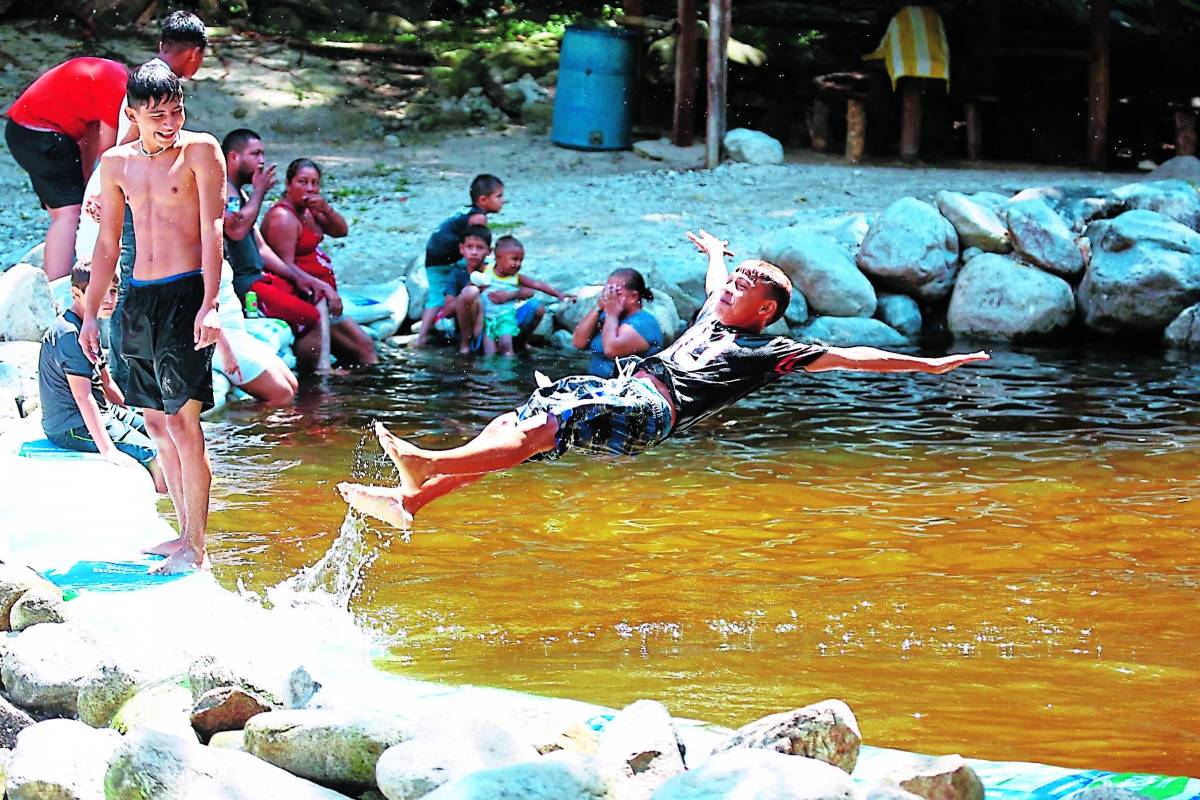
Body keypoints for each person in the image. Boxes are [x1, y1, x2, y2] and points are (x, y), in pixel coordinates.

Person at [337, 229, 990, 531]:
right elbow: (714, 287)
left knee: (541, 426)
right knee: (522, 424)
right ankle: (412, 502)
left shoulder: (772, 348)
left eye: (742, 288)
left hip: (652, 406)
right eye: (733, 281)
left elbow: (856, 358)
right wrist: (715, 258)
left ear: (764, 311)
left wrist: (929, 364)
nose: (729, 289)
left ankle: (426, 463)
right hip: (627, 392)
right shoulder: (716, 309)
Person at [79, 62, 225, 574]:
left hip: (186, 294)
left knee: (185, 423)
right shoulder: (117, 164)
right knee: (155, 421)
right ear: (133, 114)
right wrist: (94, 314)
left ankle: (197, 546)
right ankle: (182, 532)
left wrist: (211, 303)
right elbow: (106, 244)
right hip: (138, 298)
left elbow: (213, 228)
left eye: (177, 110)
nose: (170, 122)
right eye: (158, 114)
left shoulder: (201, 150)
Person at [83, 10, 209, 388]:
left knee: (133, 284)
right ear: (196, 53)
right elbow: (126, 145)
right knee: (130, 285)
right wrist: (105, 191)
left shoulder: (151, 79)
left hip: (136, 191)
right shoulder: (152, 85)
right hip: (138, 197)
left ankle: (136, 377)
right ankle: (124, 379)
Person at [38, 261, 166, 493]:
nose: (108, 299)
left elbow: (106, 383)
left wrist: (132, 413)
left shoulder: (90, 327)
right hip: (71, 425)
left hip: (105, 411)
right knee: (154, 453)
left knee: (162, 431)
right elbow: (83, 398)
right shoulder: (69, 334)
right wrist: (108, 450)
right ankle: (166, 512)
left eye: (113, 292)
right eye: (100, 292)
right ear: (76, 294)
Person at [221, 129, 340, 373]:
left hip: (259, 277)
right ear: (233, 157)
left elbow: (262, 249)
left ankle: (318, 370)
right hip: (244, 285)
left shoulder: (241, 193)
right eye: (255, 154)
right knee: (310, 317)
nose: (261, 161)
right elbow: (235, 229)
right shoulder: (222, 190)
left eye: (262, 154)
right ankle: (312, 380)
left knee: (311, 294)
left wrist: (300, 278)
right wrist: (259, 192)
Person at [6, 56, 128, 279]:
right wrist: (101, 193)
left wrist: (87, 185)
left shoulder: (112, 77)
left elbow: (90, 139)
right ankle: (56, 289)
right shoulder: (118, 92)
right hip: (39, 133)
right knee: (68, 214)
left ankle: (61, 268)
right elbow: (110, 154)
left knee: (68, 210)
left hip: (24, 129)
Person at [261, 158, 378, 367]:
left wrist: (326, 209)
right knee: (343, 357)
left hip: (324, 293)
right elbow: (284, 266)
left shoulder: (310, 210)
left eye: (315, 183)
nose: (310, 189)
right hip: (307, 294)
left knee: (365, 347)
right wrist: (323, 287)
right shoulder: (283, 217)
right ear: (288, 185)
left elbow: (341, 231)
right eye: (303, 182)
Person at [415, 174, 505, 347]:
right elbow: (475, 244)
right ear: (483, 199)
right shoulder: (479, 218)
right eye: (499, 196)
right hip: (446, 260)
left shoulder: (467, 211)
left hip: (433, 256)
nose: (503, 201)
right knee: (473, 274)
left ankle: (422, 337)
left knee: (434, 298)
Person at [467, 235, 570, 356]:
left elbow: (537, 285)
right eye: (514, 259)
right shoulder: (486, 270)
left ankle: (508, 371)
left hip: (506, 318)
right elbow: (471, 285)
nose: (518, 264)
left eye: (521, 260)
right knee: (489, 352)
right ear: (498, 258)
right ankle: (492, 374)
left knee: (506, 347)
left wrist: (559, 294)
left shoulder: (515, 278)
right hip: (487, 320)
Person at [213, 260, 299, 406]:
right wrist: (226, 351)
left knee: (292, 386)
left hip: (237, 334)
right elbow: (202, 310)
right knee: (281, 395)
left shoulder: (207, 243)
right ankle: (233, 426)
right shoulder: (190, 250)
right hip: (221, 340)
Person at [571, 268, 664, 378]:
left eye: (616, 292)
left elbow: (611, 350)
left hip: (628, 388)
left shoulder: (644, 322)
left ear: (633, 297)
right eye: (608, 291)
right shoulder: (607, 316)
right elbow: (578, 343)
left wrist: (611, 314)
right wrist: (598, 307)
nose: (610, 296)